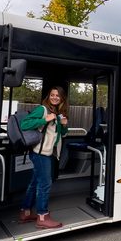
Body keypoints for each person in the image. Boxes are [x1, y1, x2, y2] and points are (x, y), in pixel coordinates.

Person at [19, 87, 69, 228]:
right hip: (40, 154)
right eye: (52, 95)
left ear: (62, 99)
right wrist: (45, 119)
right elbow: (25, 124)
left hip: (48, 153)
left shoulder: (57, 113)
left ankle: (26, 212)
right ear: (49, 96)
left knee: (35, 183)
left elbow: (61, 134)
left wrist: (64, 126)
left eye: (58, 95)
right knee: (45, 183)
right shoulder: (43, 109)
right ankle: (42, 216)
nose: (54, 97)